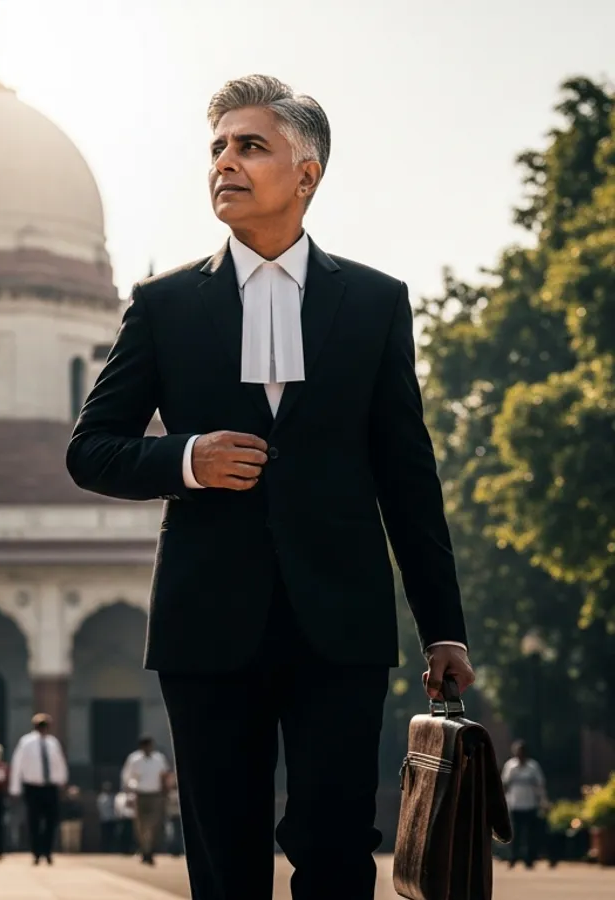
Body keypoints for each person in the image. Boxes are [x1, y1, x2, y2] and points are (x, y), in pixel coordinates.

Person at [66, 73, 474, 900]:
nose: (226, 162)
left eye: (251, 145)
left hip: (341, 621)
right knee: (225, 856)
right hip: (208, 621)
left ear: (307, 172)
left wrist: (444, 629)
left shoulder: (374, 303)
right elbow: (91, 450)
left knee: (335, 848)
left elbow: (408, 477)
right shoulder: (166, 304)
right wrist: (188, 458)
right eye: (216, 147)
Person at [8, 713, 68, 865]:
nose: (43, 728)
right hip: (32, 787)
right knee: (33, 820)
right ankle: (36, 852)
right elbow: (17, 764)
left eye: (45, 725)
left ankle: (47, 851)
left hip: (50, 786)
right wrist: (15, 788)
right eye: (40, 725)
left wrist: (62, 780)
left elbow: (59, 762)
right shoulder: (26, 742)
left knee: (51, 820)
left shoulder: (53, 743)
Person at [120, 735, 170, 865]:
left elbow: (164, 775)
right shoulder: (134, 759)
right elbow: (127, 777)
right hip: (140, 794)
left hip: (155, 794)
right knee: (141, 825)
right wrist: (130, 794)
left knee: (154, 823)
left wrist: (166, 791)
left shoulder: (159, 759)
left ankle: (150, 849)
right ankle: (145, 849)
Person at [502, 739, 547, 869]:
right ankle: (513, 858)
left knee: (530, 835)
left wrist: (543, 801)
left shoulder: (533, 767)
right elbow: (505, 785)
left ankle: (529, 859)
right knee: (515, 834)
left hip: (530, 804)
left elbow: (540, 786)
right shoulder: (510, 766)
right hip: (515, 804)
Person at [58, 786, 83, 853]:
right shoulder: (65, 802)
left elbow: (80, 812)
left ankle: (75, 851)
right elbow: (63, 811)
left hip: (76, 821)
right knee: (67, 838)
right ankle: (67, 851)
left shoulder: (78, 802)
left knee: (76, 839)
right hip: (67, 821)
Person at [95, 782, 117, 853]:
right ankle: (104, 849)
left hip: (112, 819)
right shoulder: (101, 798)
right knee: (104, 835)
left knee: (112, 835)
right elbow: (100, 808)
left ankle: (111, 849)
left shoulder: (112, 797)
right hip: (104, 819)